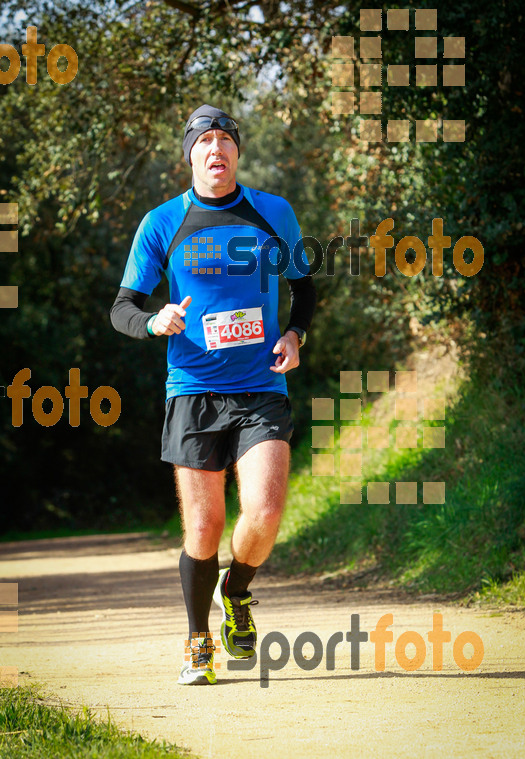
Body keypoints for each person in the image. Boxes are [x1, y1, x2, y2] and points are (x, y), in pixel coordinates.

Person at [110, 103, 316, 685]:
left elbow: (303, 290)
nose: (215, 148)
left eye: (225, 139)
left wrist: (296, 334)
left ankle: (237, 590)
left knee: (267, 512)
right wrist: (155, 321)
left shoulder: (272, 213)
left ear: (237, 154)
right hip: (194, 390)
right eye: (204, 141)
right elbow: (122, 308)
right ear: (191, 154)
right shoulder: (161, 223)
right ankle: (198, 640)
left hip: (260, 387)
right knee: (202, 528)